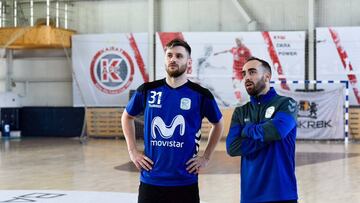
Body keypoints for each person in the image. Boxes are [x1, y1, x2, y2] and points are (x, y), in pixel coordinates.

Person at [121, 38, 224, 203]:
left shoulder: (201, 94)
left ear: (188, 62)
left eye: (179, 56)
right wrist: (133, 152)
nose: (173, 59)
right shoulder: (147, 90)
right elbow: (127, 117)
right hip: (151, 179)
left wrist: (206, 157)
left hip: (185, 180)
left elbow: (218, 124)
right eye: (169, 55)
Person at [226, 57, 298, 203]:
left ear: (266, 77)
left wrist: (247, 130)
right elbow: (232, 147)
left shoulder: (287, 104)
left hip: (281, 193)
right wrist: (267, 135)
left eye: (252, 72)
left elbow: (277, 131)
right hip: (249, 195)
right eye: (244, 73)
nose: (246, 77)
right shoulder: (240, 112)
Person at [214, 38, 252, 104]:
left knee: (247, 84)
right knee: (236, 85)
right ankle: (239, 100)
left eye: (239, 41)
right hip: (236, 71)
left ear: (241, 41)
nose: (237, 42)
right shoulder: (234, 49)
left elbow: (250, 58)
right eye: (236, 41)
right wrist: (218, 53)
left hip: (244, 70)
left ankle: (250, 99)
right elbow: (227, 51)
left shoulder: (246, 50)